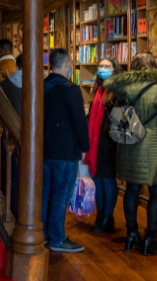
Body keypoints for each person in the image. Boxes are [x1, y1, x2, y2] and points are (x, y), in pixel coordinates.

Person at [104, 51, 157, 256]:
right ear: (152, 66)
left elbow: (116, 114)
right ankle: (150, 240)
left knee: (131, 191)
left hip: (128, 144)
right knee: (156, 193)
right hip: (153, 146)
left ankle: (132, 235)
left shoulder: (122, 87)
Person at [41, 48, 90, 252]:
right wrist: (84, 147)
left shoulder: (41, 87)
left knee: (45, 194)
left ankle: (43, 235)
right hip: (65, 151)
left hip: (43, 150)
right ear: (67, 63)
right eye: (70, 64)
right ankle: (58, 238)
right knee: (61, 195)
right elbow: (79, 122)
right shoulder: (71, 89)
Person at [84, 58, 122, 234]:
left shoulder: (117, 91)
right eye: (101, 66)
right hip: (96, 143)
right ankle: (100, 215)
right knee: (98, 180)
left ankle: (108, 217)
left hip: (109, 144)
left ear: (115, 70)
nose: (103, 69)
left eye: (108, 66)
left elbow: (119, 119)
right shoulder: (98, 90)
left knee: (108, 180)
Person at [0, 54, 24, 217]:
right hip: (30, 138)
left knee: (10, 174)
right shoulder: (38, 86)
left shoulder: (3, 86)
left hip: (7, 138)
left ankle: (12, 207)